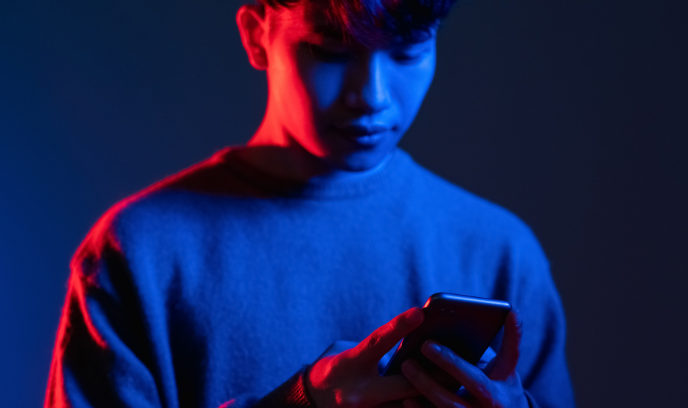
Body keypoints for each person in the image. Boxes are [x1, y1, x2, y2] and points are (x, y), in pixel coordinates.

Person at [45, 0, 576, 407]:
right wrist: (306, 401)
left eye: (408, 51)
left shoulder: (500, 252)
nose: (371, 95)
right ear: (257, 36)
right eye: (331, 49)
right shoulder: (138, 251)